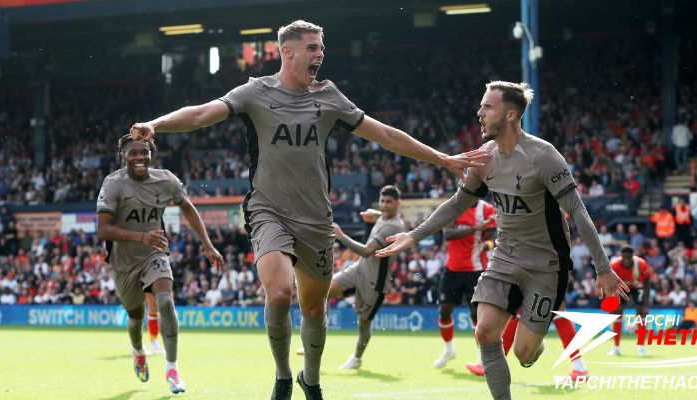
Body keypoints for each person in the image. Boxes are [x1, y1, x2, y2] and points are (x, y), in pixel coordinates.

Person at [128, 20, 484, 400]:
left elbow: (385, 135)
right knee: (280, 293)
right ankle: (282, 377)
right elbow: (201, 114)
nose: (320, 54)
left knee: (314, 310)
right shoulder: (255, 92)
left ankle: (309, 380)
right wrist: (155, 124)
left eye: (321, 47)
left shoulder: (329, 97)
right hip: (268, 210)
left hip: (316, 219)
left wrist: (442, 159)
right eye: (312, 47)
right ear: (288, 52)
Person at [377, 81, 628, 400]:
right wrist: (412, 236)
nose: (479, 112)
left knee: (524, 354)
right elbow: (457, 204)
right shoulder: (484, 158)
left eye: (488, 107)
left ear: (510, 115)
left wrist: (603, 269)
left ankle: (532, 346)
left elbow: (578, 213)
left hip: (546, 266)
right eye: (481, 106)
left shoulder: (544, 156)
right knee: (484, 333)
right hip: (504, 258)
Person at [97, 134, 224, 394]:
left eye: (144, 152)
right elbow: (103, 229)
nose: (139, 157)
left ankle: (172, 368)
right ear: (124, 156)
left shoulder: (166, 180)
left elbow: (188, 207)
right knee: (136, 316)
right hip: (124, 260)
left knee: (166, 301)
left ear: (151, 153)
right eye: (133, 153)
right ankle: (139, 351)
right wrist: (140, 236)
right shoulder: (113, 184)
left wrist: (207, 244)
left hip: (155, 253)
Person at [296, 185, 405, 369]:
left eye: (389, 202)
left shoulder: (393, 227)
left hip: (375, 281)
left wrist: (341, 236)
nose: (384, 205)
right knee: (324, 291)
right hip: (358, 270)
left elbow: (366, 251)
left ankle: (357, 357)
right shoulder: (386, 218)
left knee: (364, 322)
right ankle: (314, 340)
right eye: (382, 201)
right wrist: (376, 214)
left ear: (398, 203)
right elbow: (384, 217)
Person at [434, 199, 497, 369]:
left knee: (476, 315)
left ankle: (482, 358)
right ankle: (449, 350)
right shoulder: (454, 205)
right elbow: (448, 234)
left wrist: (487, 245)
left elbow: (492, 236)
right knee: (444, 311)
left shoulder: (487, 209)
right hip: (452, 269)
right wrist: (475, 228)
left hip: (476, 270)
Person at [606, 246, 652, 357]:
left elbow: (647, 283)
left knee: (641, 313)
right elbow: (609, 284)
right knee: (617, 314)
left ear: (633, 256)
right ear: (621, 256)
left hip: (638, 287)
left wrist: (646, 304)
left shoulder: (641, 264)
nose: (626, 260)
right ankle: (616, 348)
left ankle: (641, 347)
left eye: (629, 257)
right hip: (622, 288)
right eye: (624, 257)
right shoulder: (614, 265)